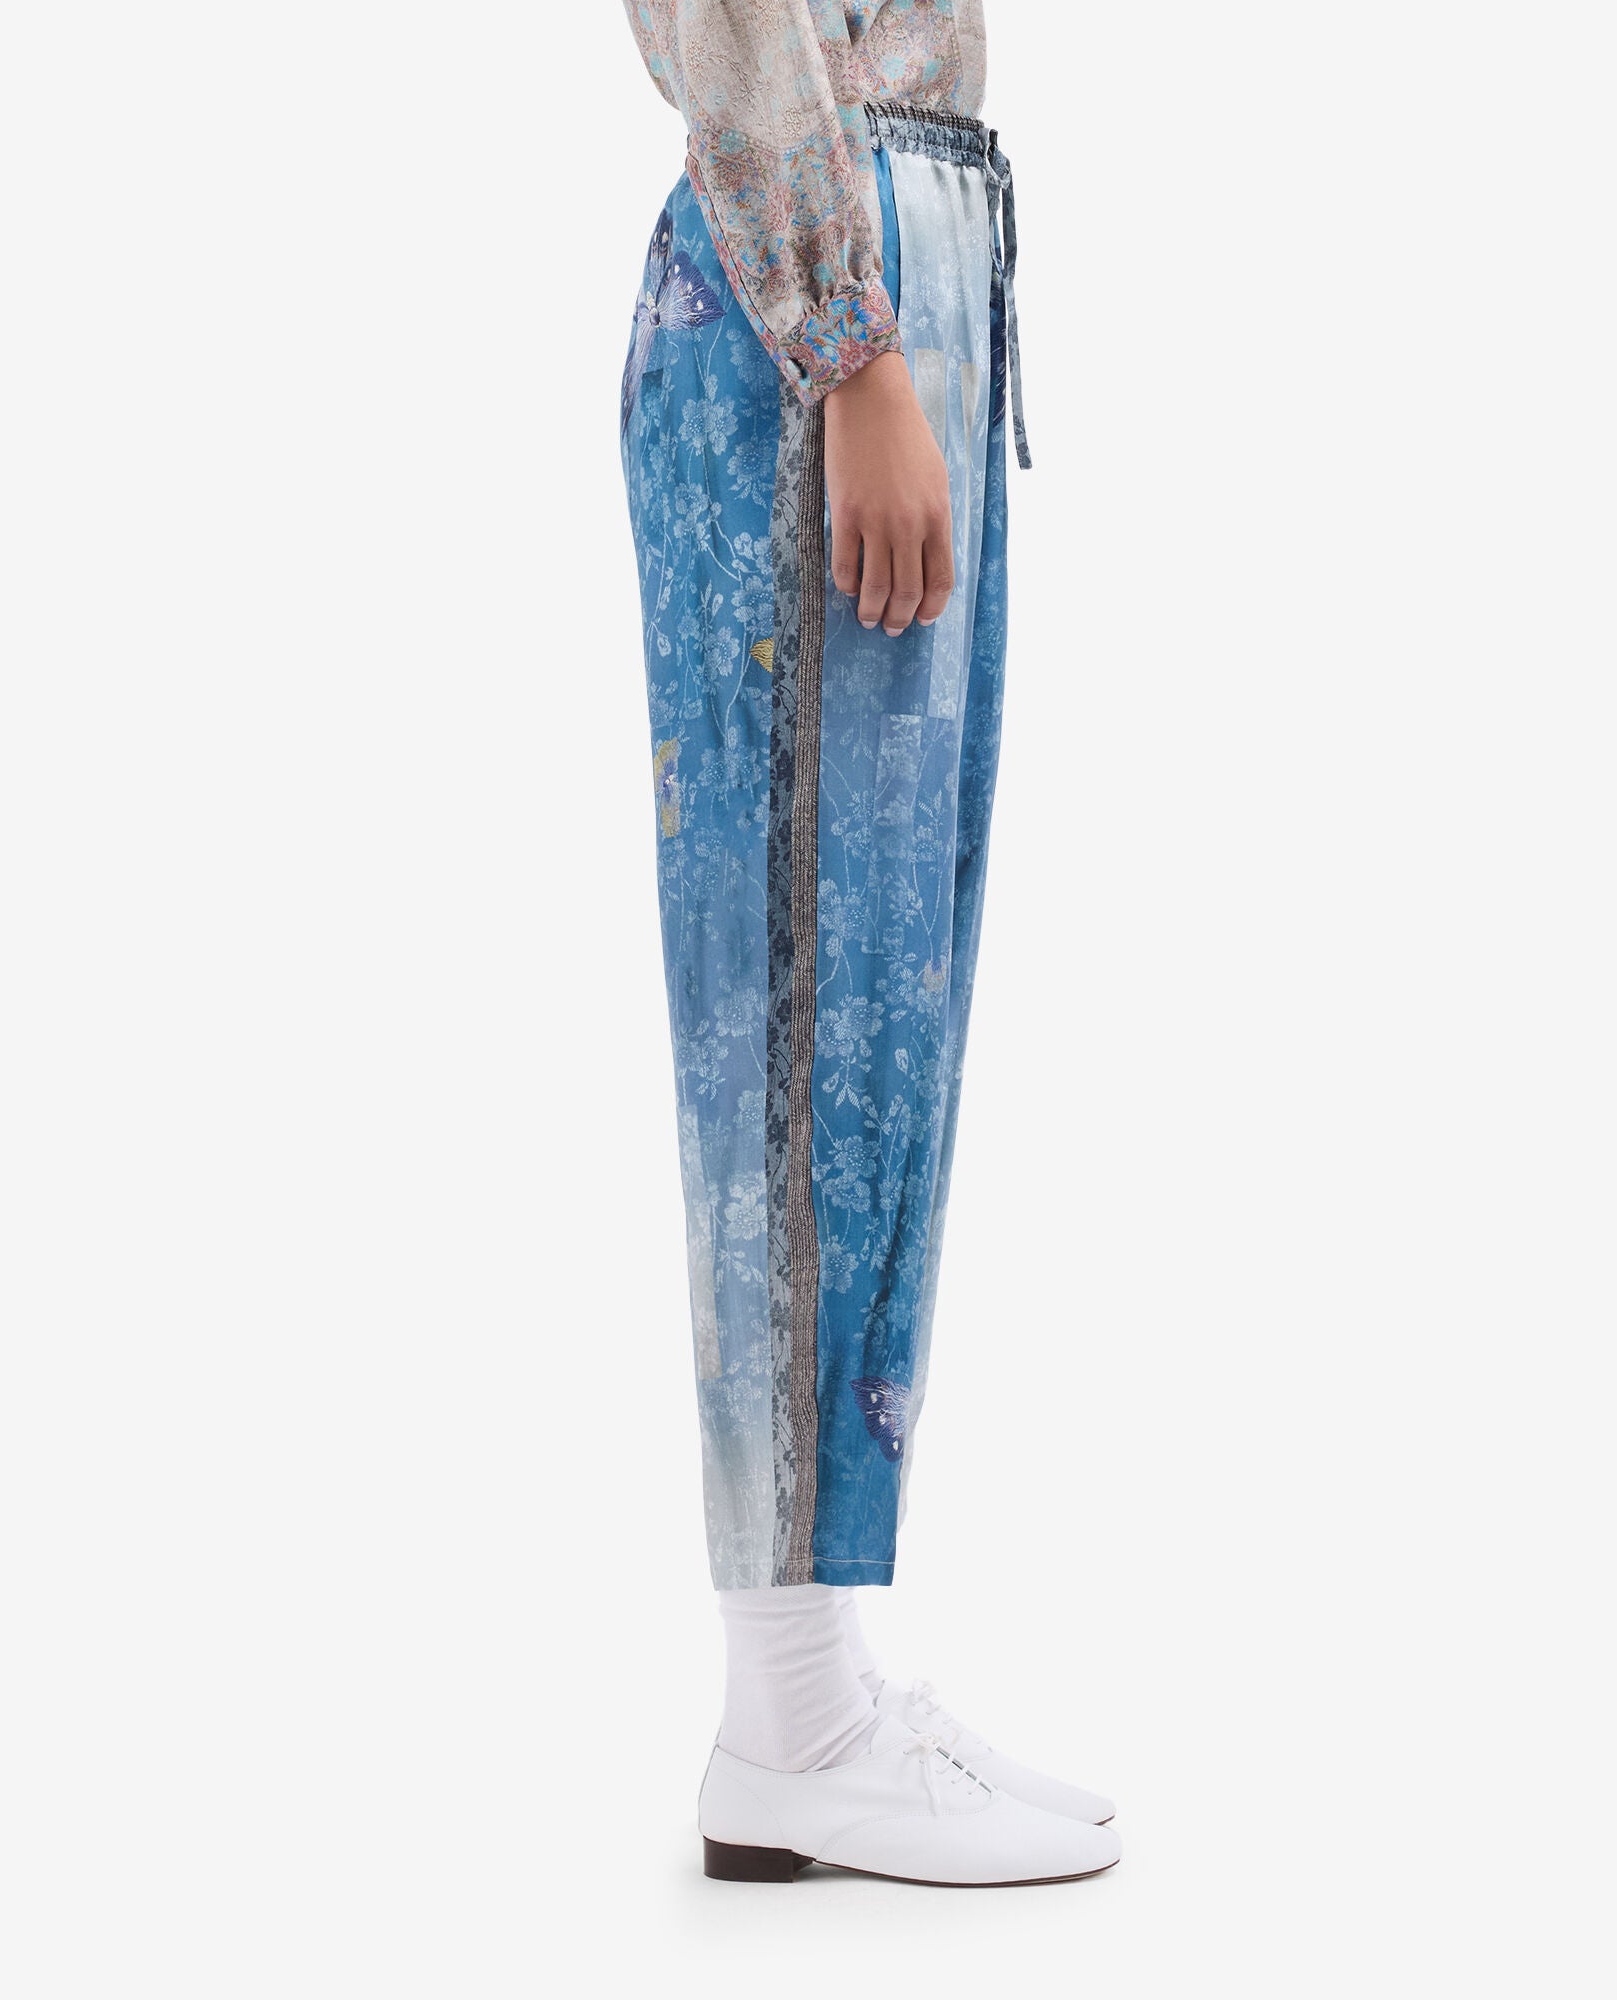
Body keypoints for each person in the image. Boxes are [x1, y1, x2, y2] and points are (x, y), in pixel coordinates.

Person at [619, 1, 1117, 1888]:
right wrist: (853, 343)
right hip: (819, 312)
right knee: (791, 1013)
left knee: (884, 1009)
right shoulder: (841, 330)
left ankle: (816, 1694)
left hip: (914, 274)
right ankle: (793, 1724)